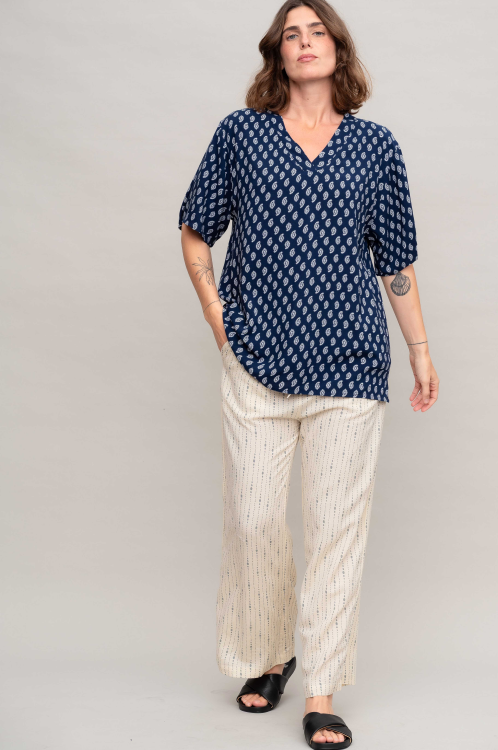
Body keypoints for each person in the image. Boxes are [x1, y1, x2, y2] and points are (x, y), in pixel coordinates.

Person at [178, 0, 439, 746]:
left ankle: (320, 689)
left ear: (338, 48)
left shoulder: (375, 147)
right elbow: (196, 228)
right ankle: (272, 655)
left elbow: (395, 261)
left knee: (334, 531)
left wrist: (420, 350)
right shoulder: (242, 134)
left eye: (316, 31)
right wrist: (214, 311)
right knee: (255, 518)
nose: (304, 43)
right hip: (255, 359)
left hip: (349, 363)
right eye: (291, 34)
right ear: (277, 54)